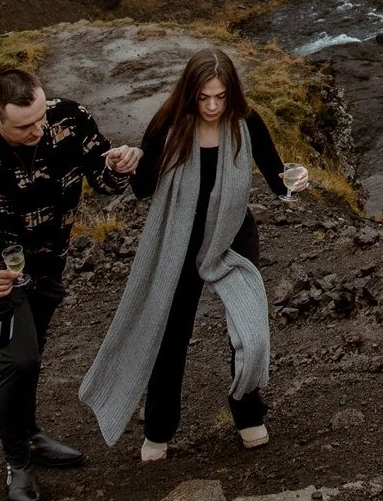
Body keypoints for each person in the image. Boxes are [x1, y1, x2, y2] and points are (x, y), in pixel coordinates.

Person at [0, 68, 142, 501]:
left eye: (41, 117)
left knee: (32, 355)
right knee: (19, 361)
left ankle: (32, 435)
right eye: (26, 125)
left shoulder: (70, 119)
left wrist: (119, 166)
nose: (39, 130)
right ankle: (17, 462)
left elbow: (102, 178)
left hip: (48, 269)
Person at [80, 46, 308, 461]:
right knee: (171, 335)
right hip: (178, 239)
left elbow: (277, 179)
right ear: (190, 93)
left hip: (232, 234)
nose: (212, 106)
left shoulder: (246, 121)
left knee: (249, 330)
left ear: (231, 93)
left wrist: (294, 182)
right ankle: (158, 430)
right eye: (204, 97)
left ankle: (249, 414)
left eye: (220, 97)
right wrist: (129, 163)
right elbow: (144, 188)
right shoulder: (169, 124)